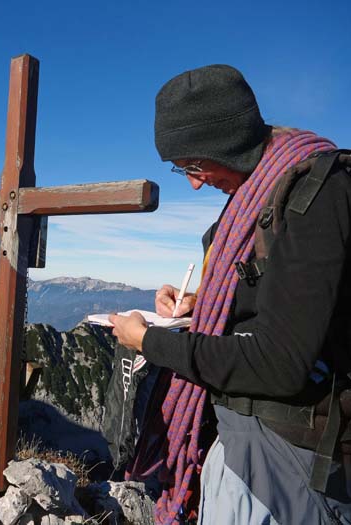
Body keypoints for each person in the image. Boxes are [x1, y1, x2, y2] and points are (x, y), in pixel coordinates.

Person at [109, 64, 351, 525]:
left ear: (229, 142)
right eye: (183, 169)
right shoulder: (254, 199)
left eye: (194, 165)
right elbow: (278, 300)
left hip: (295, 467)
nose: (195, 182)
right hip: (246, 447)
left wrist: (151, 343)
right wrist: (204, 303)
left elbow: (278, 364)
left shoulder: (317, 198)